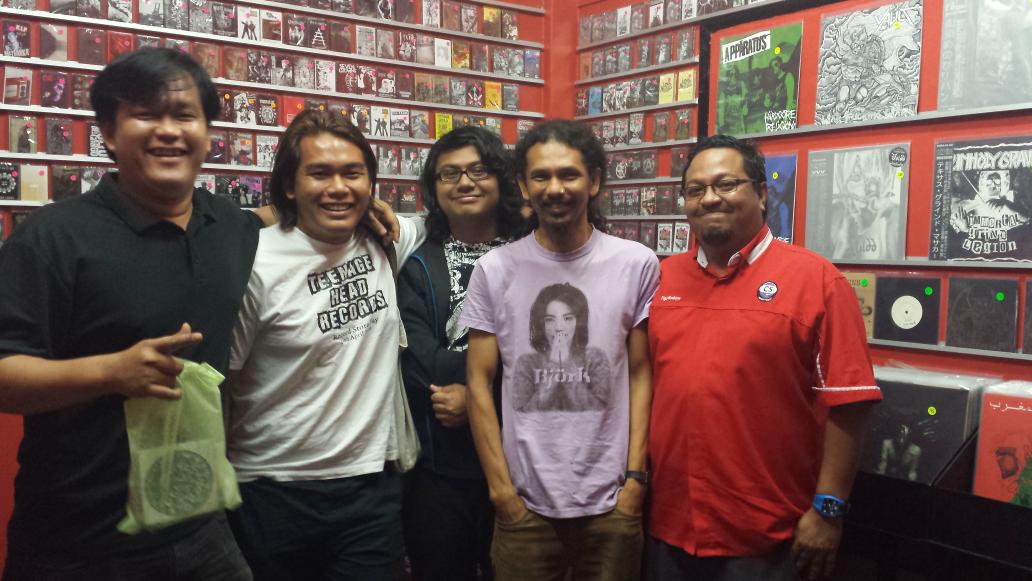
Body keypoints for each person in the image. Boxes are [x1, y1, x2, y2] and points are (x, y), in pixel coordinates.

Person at [0, 47, 277, 581]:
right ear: (109, 132)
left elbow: (281, 214)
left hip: (201, 525)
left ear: (208, 134)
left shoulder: (229, 226)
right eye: (146, 115)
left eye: (185, 115)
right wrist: (110, 372)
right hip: (78, 542)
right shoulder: (54, 239)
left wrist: (371, 210)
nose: (168, 131)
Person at [646, 134, 882, 581]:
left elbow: (849, 404)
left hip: (770, 536)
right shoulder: (661, 278)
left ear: (761, 193)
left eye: (726, 184)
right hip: (670, 529)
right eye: (695, 189)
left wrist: (828, 510)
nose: (709, 198)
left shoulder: (817, 281)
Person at [224, 109, 424, 581]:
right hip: (271, 490)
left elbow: (447, 221)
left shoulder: (385, 241)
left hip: (370, 488)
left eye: (352, 174)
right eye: (319, 173)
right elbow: (220, 382)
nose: (338, 188)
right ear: (290, 186)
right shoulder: (255, 262)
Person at [461, 120, 658, 580]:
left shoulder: (636, 264)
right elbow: (477, 383)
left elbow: (641, 374)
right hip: (524, 507)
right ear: (523, 186)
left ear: (595, 181)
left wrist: (635, 481)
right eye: (541, 176)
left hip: (612, 504)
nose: (555, 188)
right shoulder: (494, 269)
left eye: (569, 174)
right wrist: (501, 492)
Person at [398, 125, 527, 581]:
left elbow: (549, 359)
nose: (465, 182)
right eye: (449, 174)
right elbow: (420, 363)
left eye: (478, 170)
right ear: (434, 189)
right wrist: (493, 374)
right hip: (439, 470)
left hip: (523, 464)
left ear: (501, 179)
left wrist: (478, 399)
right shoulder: (417, 265)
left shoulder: (534, 254)